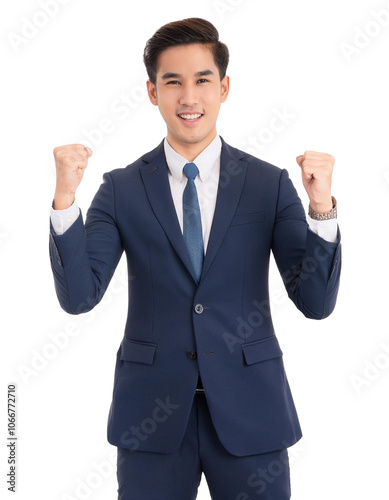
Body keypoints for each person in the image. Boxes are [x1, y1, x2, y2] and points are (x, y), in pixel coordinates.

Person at [49, 17, 341, 500]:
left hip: (252, 414)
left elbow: (315, 302)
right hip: (151, 420)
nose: (189, 97)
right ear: (151, 92)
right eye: (173, 82)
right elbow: (79, 297)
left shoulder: (267, 184)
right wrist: (64, 198)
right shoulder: (121, 188)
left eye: (203, 80)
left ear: (224, 88)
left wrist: (322, 207)